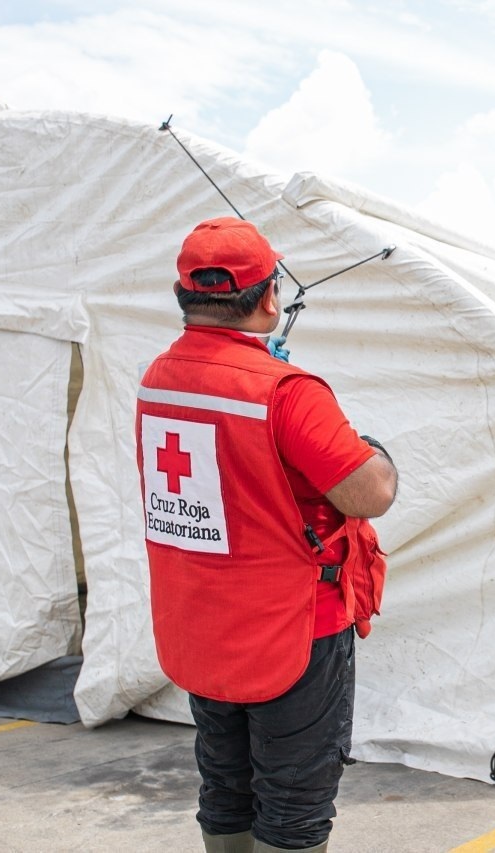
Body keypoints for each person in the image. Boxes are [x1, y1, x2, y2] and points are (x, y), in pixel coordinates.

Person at [135, 217, 398, 853]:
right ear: (270, 296)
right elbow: (370, 493)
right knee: (296, 800)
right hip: (293, 631)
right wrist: (371, 448)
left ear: (184, 297)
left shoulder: (158, 377)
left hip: (199, 623)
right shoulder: (287, 392)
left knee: (225, 782)